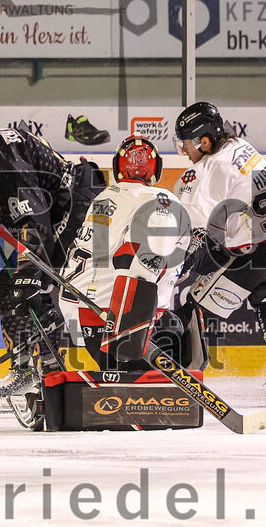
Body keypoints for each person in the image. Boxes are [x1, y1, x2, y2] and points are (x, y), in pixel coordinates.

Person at [0, 94, 104, 416]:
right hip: (53, 212)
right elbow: (13, 208)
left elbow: (33, 218)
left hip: (75, 210)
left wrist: (29, 270)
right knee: (9, 288)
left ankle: (49, 374)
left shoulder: (3, 158)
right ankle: (27, 372)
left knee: (31, 290)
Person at [172, 101, 266, 396]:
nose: (184, 151)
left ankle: (178, 379)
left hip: (259, 253)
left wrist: (177, 266)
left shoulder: (208, 169)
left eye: (186, 144)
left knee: (193, 308)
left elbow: (197, 234)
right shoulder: (241, 146)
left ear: (204, 141)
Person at [59, 135, 197, 372]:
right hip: (118, 321)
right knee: (172, 329)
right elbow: (141, 259)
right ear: (156, 169)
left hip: (79, 314)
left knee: (171, 323)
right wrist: (128, 330)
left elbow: (99, 257)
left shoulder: (103, 199)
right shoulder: (161, 200)